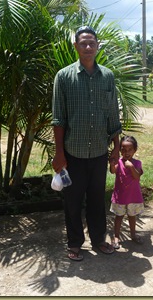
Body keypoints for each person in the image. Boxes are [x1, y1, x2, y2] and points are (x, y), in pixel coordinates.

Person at [51, 26, 122, 262]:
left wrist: (116, 149)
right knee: (72, 201)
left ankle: (99, 239)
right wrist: (59, 153)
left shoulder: (107, 77)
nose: (88, 47)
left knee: (96, 199)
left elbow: (113, 114)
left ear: (97, 46)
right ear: (76, 47)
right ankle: (74, 243)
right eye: (84, 43)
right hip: (73, 154)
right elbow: (59, 118)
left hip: (100, 152)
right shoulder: (64, 77)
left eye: (92, 42)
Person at [109, 135, 144, 249]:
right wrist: (112, 163)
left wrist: (131, 167)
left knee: (132, 216)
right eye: (123, 150)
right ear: (120, 150)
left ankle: (133, 235)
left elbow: (137, 176)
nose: (127, 152)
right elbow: (112, 171)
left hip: (133, 197)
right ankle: (116, 236)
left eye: (130, 150)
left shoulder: (137, 163)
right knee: (119, 217)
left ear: (134, 150)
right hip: (120, 197)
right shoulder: (119, 162)